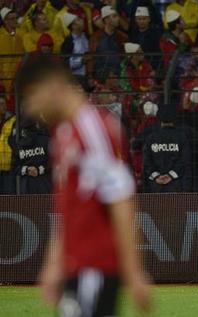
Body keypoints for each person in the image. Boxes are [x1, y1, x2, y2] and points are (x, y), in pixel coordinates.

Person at [16, 59, 150, 317]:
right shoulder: (63, 134)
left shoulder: (93, 128)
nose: (30, 108)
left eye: (31, 96)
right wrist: (54, 264)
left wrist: (134, 272)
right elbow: (69, 208)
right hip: (75, 265)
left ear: (52, 85)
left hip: (94, 265)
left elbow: (120, 199)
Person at [142, 106, 191, 193]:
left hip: (155, 185)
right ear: (175, 119)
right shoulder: (181, 137)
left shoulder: (151, 138)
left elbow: (146, 160)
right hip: (177, 184)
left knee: (156, 206)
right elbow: (185, 160)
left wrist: (156, 176)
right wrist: (171, 175)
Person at [10, 118, 51, 194]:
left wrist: (27, 170)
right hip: (43, 184)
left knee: (28, 205)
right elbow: (52, 163)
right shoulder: (46, 140)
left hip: (25, 186)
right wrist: (39, 170)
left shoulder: (19, 145)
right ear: (36, 126)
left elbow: (14, 167)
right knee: (45, 205)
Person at [89, 5, 128, 79]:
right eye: (114, 16)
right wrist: (90, 76)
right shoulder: (95, 37)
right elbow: (91, 58)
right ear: (106, 20)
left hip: (119, 77)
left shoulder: (123, 37)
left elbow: (125, 59)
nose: (118, 19)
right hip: (101, 77)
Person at [0, 7, 24, 93]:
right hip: (4, 74)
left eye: (16, 18)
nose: (15, 20)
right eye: (12, 19)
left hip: (18, 72)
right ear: (5, 21)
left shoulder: (21, 35)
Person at [61, 14, 89, 81]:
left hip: (90, 76)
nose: (82, 20)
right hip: (76, 78)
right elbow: (64, 63)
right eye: (79, 20)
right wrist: (81, 61)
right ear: (73, 26)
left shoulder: (88, 37)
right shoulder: (68, 42)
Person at [0, 96, 15, 194]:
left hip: (8, 167)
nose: (1, 106)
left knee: (8, 197)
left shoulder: (13, 120)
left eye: (2, 104)